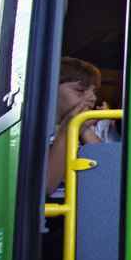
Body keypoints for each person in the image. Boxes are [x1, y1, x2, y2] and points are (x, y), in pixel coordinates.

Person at [45, 57, 114, 195]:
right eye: (80, 90)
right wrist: (68, 130)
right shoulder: (39, 131)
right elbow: (45, 187)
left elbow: (108, 176)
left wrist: (84, 130)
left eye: (94, 92)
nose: (92, 98)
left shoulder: (87, 129)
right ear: (51, 92)